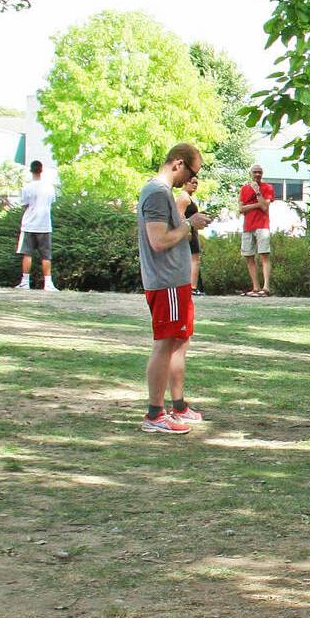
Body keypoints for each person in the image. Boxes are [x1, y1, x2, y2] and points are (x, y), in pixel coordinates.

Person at [136, 143, 212, 433]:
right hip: (165, 281)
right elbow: (158, 240)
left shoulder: (162, 193)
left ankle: (176, 406)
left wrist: (188, 224)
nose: (191, 179)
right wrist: (190, 224)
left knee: (178, 342)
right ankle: (155, 414)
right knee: (165, 342)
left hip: (175, 282)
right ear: (178, 164)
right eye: (192, 172)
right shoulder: (156, 193)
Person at [15, 160, 56, 291]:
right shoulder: (49, 187)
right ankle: (48, 283)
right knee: (46, 255)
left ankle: (25, 282)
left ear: (31, 171)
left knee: (27, 254)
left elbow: (25, 204)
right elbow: (51, 203)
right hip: (45, 224)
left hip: (29, 224)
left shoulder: (27, 187)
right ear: (41, 170)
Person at [239, 163, 277, 296]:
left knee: (264, 255)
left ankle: (266, 287)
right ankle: (255, 287)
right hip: (248, 226)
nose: (257, 175)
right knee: (249, 256)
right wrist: (257, 205)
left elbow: (265, 207)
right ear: (250, 173)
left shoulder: (268, 188)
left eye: (259, 172)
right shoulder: (244, 189)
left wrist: (257, 192)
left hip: (262, 226)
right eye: (255, 172)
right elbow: (241, 209)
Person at [176, 174, 206, 296]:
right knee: (194, 258)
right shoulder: (183, 197)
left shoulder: (190, 197)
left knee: (194, 258)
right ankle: (192, 287)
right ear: (185, 183)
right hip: (187, 230)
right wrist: (186, 230)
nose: (194, 185)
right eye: (192, 182)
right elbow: (180, 215)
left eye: (196, 183)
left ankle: (191, 285)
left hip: (192, 230)